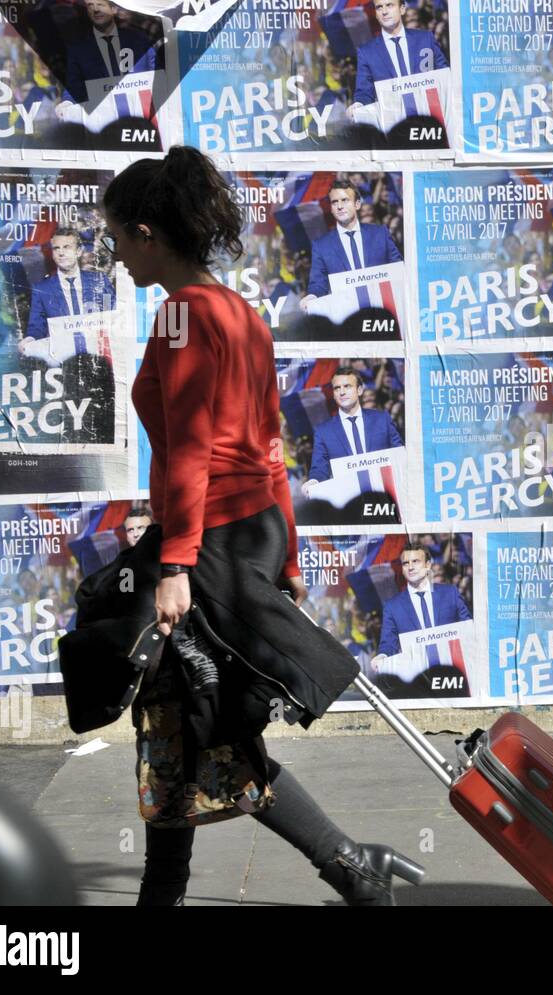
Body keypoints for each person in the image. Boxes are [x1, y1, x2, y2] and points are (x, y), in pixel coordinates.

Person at [101, 146, 422, 906]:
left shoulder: (181, 315)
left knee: (185, 714)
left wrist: (175, 564)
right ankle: (323, 870)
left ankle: (340, 867)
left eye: (116, 237)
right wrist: (288, 549)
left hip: (206, 542)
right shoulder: (238, 311)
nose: (113, 254)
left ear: (148, 234)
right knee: (183, 713)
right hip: (251, 532)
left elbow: (188, 448)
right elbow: (271, 444)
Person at [302, 367, 404, 498]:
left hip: (385, 497)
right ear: (333, 394)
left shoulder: (382, 419)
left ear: (360, 390)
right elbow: (319, 469)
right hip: (349, 502)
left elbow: (398, 453)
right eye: (337, 388)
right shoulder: (323, 431)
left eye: (347, 386)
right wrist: (313, 482)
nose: (342, 392)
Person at [301, 181, 402, 306]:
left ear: (357, 204)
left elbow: (397, 268)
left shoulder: (380, 233)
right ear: (331, 208)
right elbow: (318, 283)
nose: (339, 206)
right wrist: (312, 297)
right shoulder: (321, 246)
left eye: (345, 200)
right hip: (347, 315)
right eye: (334, 202)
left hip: (382, 309)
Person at [20, 227, 116, 354]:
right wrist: (29, 340)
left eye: (67, 247)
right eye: (56, 248)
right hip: (63, 358)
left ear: (79, 251)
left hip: (99, 354)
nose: (61, 253)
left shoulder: (100, 281)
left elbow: (113, 315)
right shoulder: (41, 289)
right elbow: (36, 327)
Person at [375, 543, 472, 660]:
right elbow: (388, 644)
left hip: (453, 666)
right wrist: (382, 656)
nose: (410, 567)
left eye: (415, 561)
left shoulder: (450, 593)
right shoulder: (392, 607)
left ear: (428, 565)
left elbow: (468, 628)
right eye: (406, 563)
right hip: (418, 673)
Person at [349, 0, 448, 114]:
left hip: (429, 116)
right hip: (394, 122)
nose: (384, 11)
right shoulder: (366, 52)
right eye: (379, 7)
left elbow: (443, 76)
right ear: (376, 14)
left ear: (402, 9)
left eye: (389, 5)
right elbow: (364, 93)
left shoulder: (425, 38)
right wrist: (358, 105)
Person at [59, 0, 157, 108]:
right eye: (90, 6)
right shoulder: (78, 50)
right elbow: (74, 87)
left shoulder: (138, 40)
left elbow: (156, 74)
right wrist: (66, 103)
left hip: (141, 111)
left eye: (100, 5)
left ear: (113, 9)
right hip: (103, 115)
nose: (95, 10)